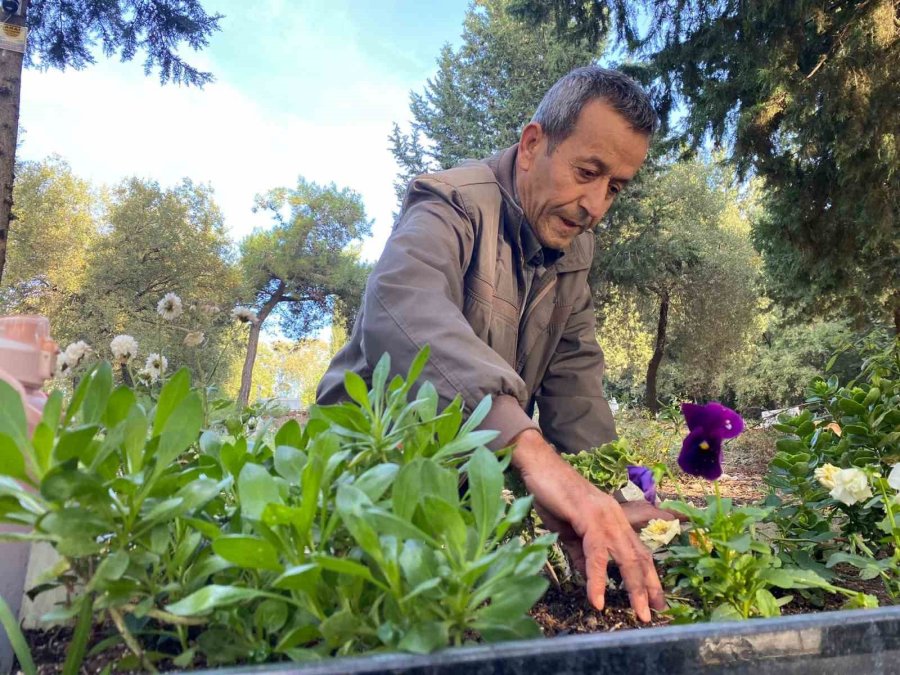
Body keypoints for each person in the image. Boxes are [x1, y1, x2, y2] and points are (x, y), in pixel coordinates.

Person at [317, 66, 677, 622]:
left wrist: (607, 501)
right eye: (588, 172)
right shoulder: (451, 202)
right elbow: (402, 307)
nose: (596, 205)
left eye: (616, 187)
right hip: (363, 474)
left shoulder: (573, 256)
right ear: (533, 145)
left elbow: (576, 387)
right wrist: (530, 451)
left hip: (458, 493)